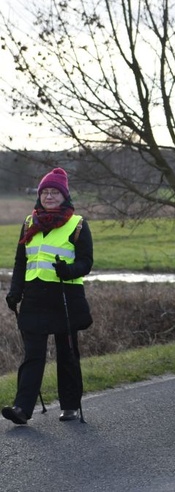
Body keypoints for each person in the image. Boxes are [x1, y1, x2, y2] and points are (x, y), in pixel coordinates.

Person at [3, 167, 93, 425]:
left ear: (65, 196)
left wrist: (69, 270)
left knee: (67, 353)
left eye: (55, 192)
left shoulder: (77, 224)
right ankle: (22, 409)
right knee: (33, 354)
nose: (49, 196)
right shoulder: (29, 223)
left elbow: (86, 262)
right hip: (34, 298)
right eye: (45, 192)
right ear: (39, 195)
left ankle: (70, 405)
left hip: (64, 297)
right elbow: (21, 262)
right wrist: (14, 291)